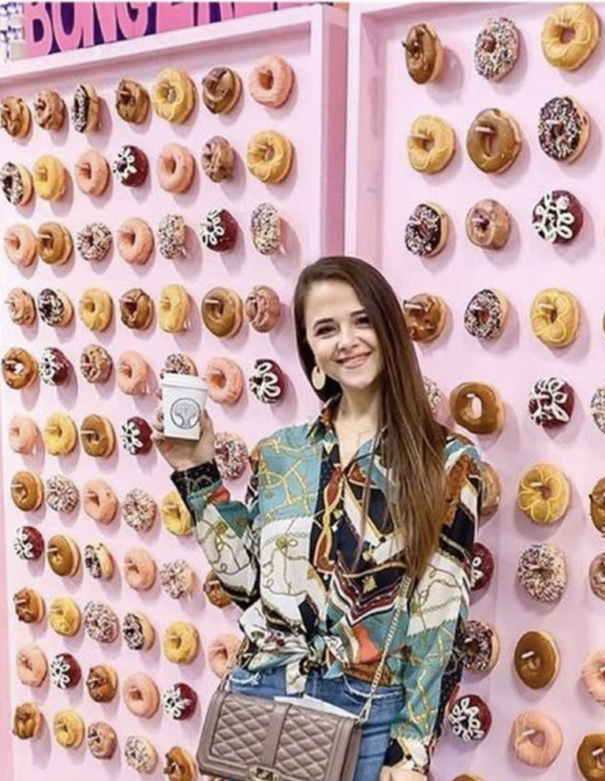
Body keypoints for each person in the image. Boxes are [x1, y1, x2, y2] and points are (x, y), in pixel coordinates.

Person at [154, 255, 480, 781]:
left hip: (363, 711)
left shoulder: (445, 460)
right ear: (313, 355)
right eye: (326, 329)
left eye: (362, 320)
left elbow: (439, 620)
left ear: (389, 328)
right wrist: (197, 474)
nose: (346, 340)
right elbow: (249, 588)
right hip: (257, 694)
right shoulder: (281, 454)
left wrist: (412, 750)